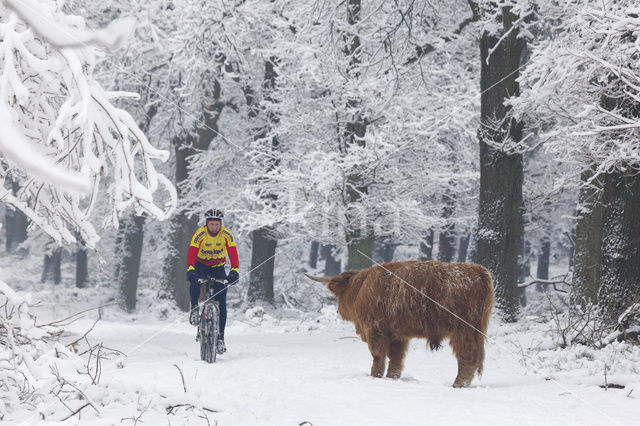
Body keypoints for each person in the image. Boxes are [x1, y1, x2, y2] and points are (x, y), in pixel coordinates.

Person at [186, 208, 239, 354]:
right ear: (207, 224)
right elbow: (191, 255)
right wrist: (191, 270)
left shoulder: (226, 235)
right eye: (212, 224)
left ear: (220, 223)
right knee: (195, 282)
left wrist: (234, 271)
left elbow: (234, 256)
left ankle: (221, 337)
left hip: (217, 267)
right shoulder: (200, 234)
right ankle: (195, 309)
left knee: (221, 300)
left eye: (217, 224)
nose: (214, 227)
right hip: (200, 264)